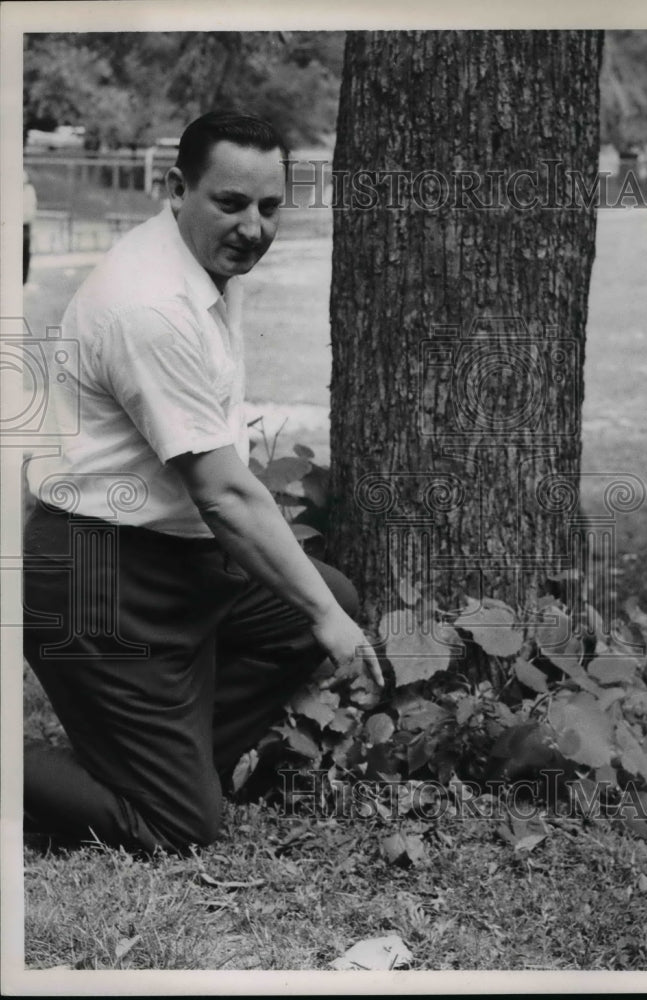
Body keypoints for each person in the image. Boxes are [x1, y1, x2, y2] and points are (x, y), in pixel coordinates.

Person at [23, 110, 382, 853]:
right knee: (179, 827)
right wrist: (325, 620)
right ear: (177, 187)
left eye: (270, 207)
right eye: (231, 203)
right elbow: (221, 491)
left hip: (174, 557)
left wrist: (317, 609)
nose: (253, 227)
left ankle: (169, 762)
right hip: (99, 577)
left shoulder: (204, 264)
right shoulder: (149, 304)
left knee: (316, 601)